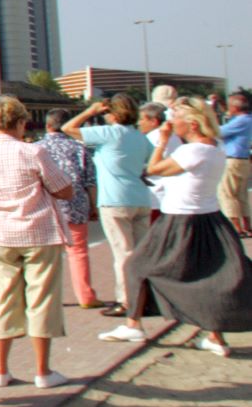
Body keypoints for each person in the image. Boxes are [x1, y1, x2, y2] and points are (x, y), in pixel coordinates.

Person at [100, 98, 252, 357]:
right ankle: (215, 336)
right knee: (208, 275)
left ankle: (133, 324)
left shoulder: (192, 151)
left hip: (179, 220)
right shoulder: (215, 147)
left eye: (176, 118)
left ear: (192, 123)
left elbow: (154, 169)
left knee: (136, 266)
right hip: (210, 218)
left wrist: (161, 141)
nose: (171, 123)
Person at [0, 97, 74, 389]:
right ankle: (43, 371)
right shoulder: (33, 151)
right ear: (20, 123)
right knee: (41, 300)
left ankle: (1, 369)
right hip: (38, 233)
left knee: (4, 300)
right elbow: (63, 189)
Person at [63, 95, 154, 311]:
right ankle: (145, 297)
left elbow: (68, 128)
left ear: (113, 113)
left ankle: (127, 301)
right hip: (140, 197)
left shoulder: (109, 133)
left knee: (123, 253)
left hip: (115, 199)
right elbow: (149, 161)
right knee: (140, 253)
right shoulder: (140, 137)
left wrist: (90, 111)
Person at [40, 108, 101, 307]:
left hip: (47, 207)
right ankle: (86, 296)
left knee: (47, 256)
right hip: (76, 204)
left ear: (48, 125)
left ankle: (47, 297)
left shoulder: (37, 148)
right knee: (78, 252)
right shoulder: (79, 148)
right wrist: (93, 206)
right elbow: (90, 180)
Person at [217, 92, 251, 236]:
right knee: (240, 195)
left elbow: (217, 132)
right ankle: (247, 225)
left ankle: (236, 227)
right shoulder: (248, 119)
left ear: (235, 107)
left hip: (232, 158)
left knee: (227, 193)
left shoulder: (240, 121)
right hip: (244, 158)